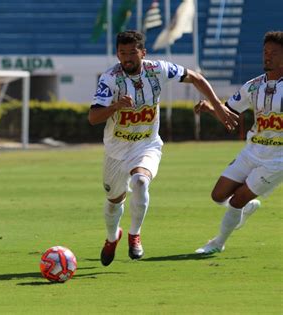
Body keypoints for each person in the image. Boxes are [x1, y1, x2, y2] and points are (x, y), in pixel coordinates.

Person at [88, 30, 238, 266]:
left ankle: (134, 235)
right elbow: (93, 117)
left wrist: (218, 107)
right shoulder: (109, 79)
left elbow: (195, 77)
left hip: (147, 144)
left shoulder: (157, 69)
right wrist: (116, 106)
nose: (126, 58)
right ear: (117, 54)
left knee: (140, 182)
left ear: (143, 53)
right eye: (122, 53)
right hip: (116, 151)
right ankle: (111, 237)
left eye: (132, 53)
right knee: (113, 201)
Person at [195, 31, 283, 254]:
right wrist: (210, 108)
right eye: (265, 52)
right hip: (252, 151)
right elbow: (230, 112)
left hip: (277, 159)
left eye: (274, 53)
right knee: (218, 195)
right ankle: (248, 207)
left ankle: (217, 243)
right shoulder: (253, 86)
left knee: (237, 200)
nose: (267, 57)